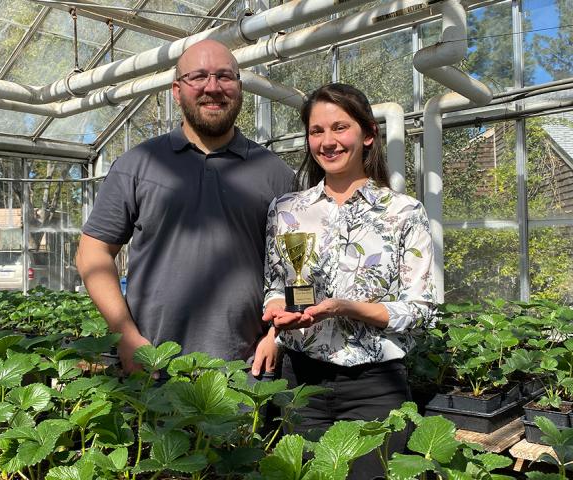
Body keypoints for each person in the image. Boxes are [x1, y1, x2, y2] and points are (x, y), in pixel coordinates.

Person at [77, 39, 294, 375]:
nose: (213, 87)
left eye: (225, 77)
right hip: (152, 366)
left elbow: (297, 269)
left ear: (239, 88)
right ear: (176, 91)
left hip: (247, 371)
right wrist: (126, 336)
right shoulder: (138, 165)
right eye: (199, 77)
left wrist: (276, 336)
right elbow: (93, 253)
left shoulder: (275, 174)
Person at [262, 83, 436, 479]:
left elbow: (420, 310)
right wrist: (274, 310)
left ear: (368, 134)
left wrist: (346, 308)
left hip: (374, 385)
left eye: (340, 128)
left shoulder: (403, 212)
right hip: (300, 381)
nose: (327, 141)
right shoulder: (287, 210)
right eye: (316, 131)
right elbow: (274, 283)